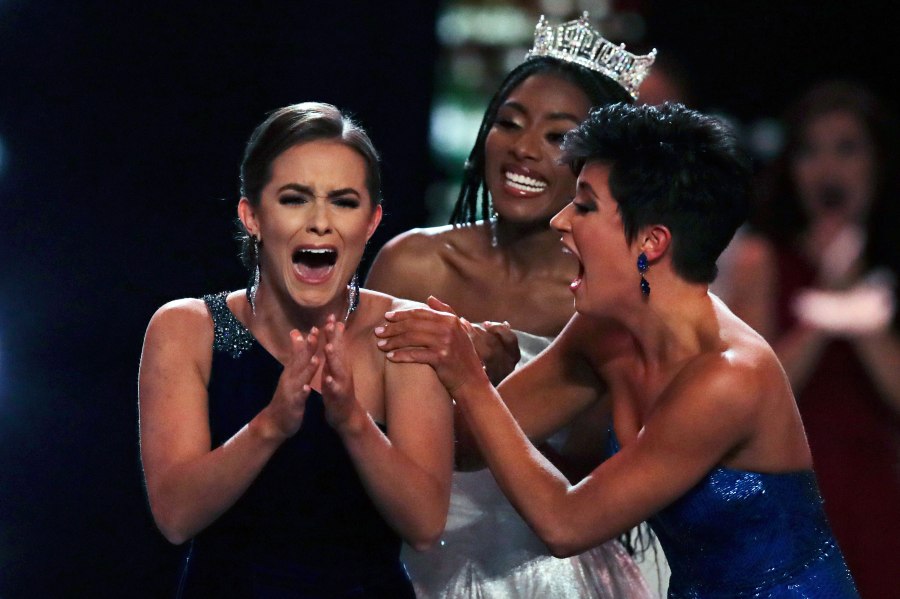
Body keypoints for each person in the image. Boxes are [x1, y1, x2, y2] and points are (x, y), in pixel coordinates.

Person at [375, 102, 860, 597]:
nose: (560, 221)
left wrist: (471, 382)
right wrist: (480, 370)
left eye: (584, 205)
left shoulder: (730, 377)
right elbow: (464, 450)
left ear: (652, 242)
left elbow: (565, 525)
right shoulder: (601, 333)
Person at [366, 12, 657, 598]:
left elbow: (590, 465)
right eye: (509, 123)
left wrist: (484, 384)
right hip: (404, 565)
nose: (524, 149)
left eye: (557, 137)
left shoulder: (611, 299)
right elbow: (363, 428)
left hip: (545, 571)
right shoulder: (412, 264)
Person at [138, 102, 454, 597]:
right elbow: (176, 517)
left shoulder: (402, 332)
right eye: (295, 199)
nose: (320, 223)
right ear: (252, 216)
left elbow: (425, 524)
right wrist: (271, 425)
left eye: (344, 202)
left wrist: (351, 419)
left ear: (371, 223)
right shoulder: (187, 329)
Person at [714, 81, 900, 599]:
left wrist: (854, 287)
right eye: (810, 150)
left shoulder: (888, 266)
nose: (828, 168)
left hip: (880, 499)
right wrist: (826, 304)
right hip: (789, 500)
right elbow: (755, 392)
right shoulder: (761, 261)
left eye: (847, 148)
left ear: (878, 161)